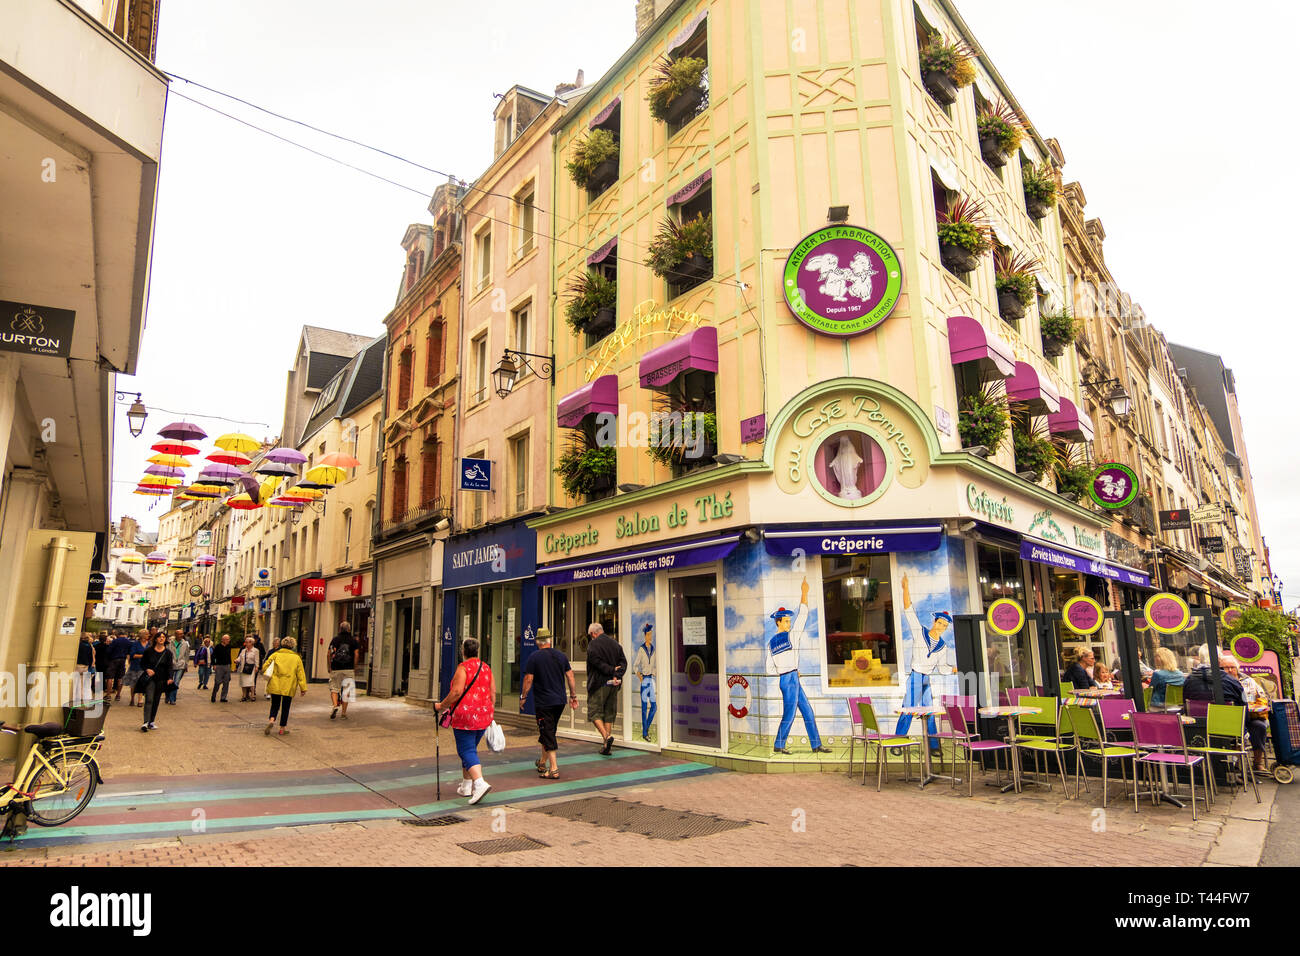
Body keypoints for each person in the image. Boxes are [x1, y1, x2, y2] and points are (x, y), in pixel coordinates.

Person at [893, 573, 954, 748]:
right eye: (940, 623)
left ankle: (933, 745)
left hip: (926, 677)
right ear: (934, 622)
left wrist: (956, 669)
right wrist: (906, 589)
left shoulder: (943, 647)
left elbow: (942, 668)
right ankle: (898, 742)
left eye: (945, 626)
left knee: (930, 710)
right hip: (916, 676)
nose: (941, 627)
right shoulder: (920, 632)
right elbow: (909, 611)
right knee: (909, 709)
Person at [434, 638, 496, 805]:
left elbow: (456, 692)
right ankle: (467, 785)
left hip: (465, 716)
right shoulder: (486, 668)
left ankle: (479, 783)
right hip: (483, 716)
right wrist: (490, 712)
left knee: (466, 750)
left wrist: (441, 705)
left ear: (463, 652)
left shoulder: (463, 668)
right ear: (477, 651)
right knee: (471, 748)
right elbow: (493, 693)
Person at [520, 628, 578, 780]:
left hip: (544, 702)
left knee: (547, 732)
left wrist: (523, 696)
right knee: (548, 730)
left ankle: (553, 769)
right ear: (550, 641)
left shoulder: (534, 657)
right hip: (559, 701)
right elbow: (570, 677)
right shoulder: (561, 656)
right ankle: (542, 762)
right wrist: (573, 695)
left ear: (537, 642)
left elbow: (528, 679)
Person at [1216, 654, 1270, 772]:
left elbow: (1261, 697)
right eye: (1225, 667)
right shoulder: (1220, 682)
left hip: (1250, 716)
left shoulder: (1248, 680)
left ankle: (1257, 763)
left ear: (1237, 668)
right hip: (1230, 718)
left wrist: (1256, 705)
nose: (1230, 670)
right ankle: (1235, 766)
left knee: (1260, 727)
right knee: (1234, 732)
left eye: (1232, 667)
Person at [585, 622, 626, 755]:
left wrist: (610, 670)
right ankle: (605, 746)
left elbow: (596, 663)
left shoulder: (592, 645)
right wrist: (616, 675)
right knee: (609, 713)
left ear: (593, 634)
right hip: (614, 684)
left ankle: (606, 737)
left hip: (599, 683)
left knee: (594, 711)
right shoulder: (615, 644)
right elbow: (623, 663)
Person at [262, 636, 308, 736]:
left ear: (282, 644)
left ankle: (272, 719)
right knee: (285, 707)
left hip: (275, 683)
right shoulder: (297, 658)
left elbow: (265, 666)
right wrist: (303, 688)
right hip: (289, 685)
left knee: (275, 705)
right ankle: (282, 728)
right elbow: (301, 674)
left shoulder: (275, 654)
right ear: (292, 646)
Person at [138, 631, 175, 732]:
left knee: (156, 700)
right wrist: (147, 669)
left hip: (161, 679)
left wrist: (170, 677)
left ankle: (151, 722)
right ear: (155, 639)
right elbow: (142, 663)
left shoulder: (168, 653)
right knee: (149, 699)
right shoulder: (148, 651)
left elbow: (169, 667)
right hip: (150, 679)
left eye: (163, 637)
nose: (161, 639)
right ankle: (145, 722)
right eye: (159, 637)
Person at [327, 621, 359, 720]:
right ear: (349, 629)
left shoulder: (335, 640)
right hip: (348, 669)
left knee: (334, 688)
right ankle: (344, 713)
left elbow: (329, 654)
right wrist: (355, 667)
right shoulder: (353, 641)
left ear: (340, 629)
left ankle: (335, 705)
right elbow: (357, 654)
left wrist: (329, 666)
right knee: (347, 691)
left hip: (336, 668)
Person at [632, 622, 657, 742]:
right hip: (644, 681)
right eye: (648, 634)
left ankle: (645, 729)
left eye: (651, 634)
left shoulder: (653, 649)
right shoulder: (641, 649)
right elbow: (635, 666)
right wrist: (639, 675)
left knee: (654, 706)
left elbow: (655, 665)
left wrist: (654, 672)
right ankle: (645, 733)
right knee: (643, 708)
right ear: (645, 635)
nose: (650, 636)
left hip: (651, 680)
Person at [125, 629, 149, 707]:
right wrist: (143, 656)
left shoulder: (149, 644)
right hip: (135, 666)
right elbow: (132, 655)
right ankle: (132, 699)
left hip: (144, 667)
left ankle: (140, 700)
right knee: (133, 684)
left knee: (142, 683)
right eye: (147, 634)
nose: (148, 635)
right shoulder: (135, 644)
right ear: (143, 635)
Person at [166, 630, 191, 704]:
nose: (181, 635)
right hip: (171, 665)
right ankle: (168, 695)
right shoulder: (170, 643)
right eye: (179, 634)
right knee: (169, 681)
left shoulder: (185, 644)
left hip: (181, 665)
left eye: (182, 634)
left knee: (176, 682)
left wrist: (186, 664)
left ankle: (172, 699)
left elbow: (187, 655)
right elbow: (167, 653)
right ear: (175, 634)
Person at [106, 631, 131, 701]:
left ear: (118, 635)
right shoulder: (128, 642)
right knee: (120, 678)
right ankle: (118, 695)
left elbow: (109, 651)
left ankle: (108, 695)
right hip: (123, 660)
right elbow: (129, 652)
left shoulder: (115, 641)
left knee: (110, 677)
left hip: (114, 659)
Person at [210, 632, 234, 702]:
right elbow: (213, 656)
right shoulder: (218, 647)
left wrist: (231, 665)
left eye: (229, 639)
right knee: (217, 682)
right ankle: (213, 695)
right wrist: (214, 665)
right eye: (227, 639)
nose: (228, 640)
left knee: (226, 682)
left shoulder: (229, 646)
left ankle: (223, 697)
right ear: (223, 640)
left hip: (227, 666)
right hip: (219, 666)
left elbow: (229, 656)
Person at [236, 636, 261, 702]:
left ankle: (252, 696)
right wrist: (236, 660)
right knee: (243, 683)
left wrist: (257, 667)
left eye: (247, 642)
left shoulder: (255, 651)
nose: (246, 643)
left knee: (251, 682)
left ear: (251, 643)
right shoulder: (243, 650)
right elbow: (239, 657)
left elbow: (257, 660)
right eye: (246, 642)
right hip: (243, 668)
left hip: (251, 668)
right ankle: (244, 696)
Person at [251, 634, 268, 699]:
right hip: (250, 664)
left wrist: (260, 657)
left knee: (254, 678)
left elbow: (264, 653)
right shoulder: (251, 644)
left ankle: (253, 690)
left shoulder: (260, 645)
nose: (254, 640)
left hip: (257, 664)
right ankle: (249, 690)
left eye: (254, 639)